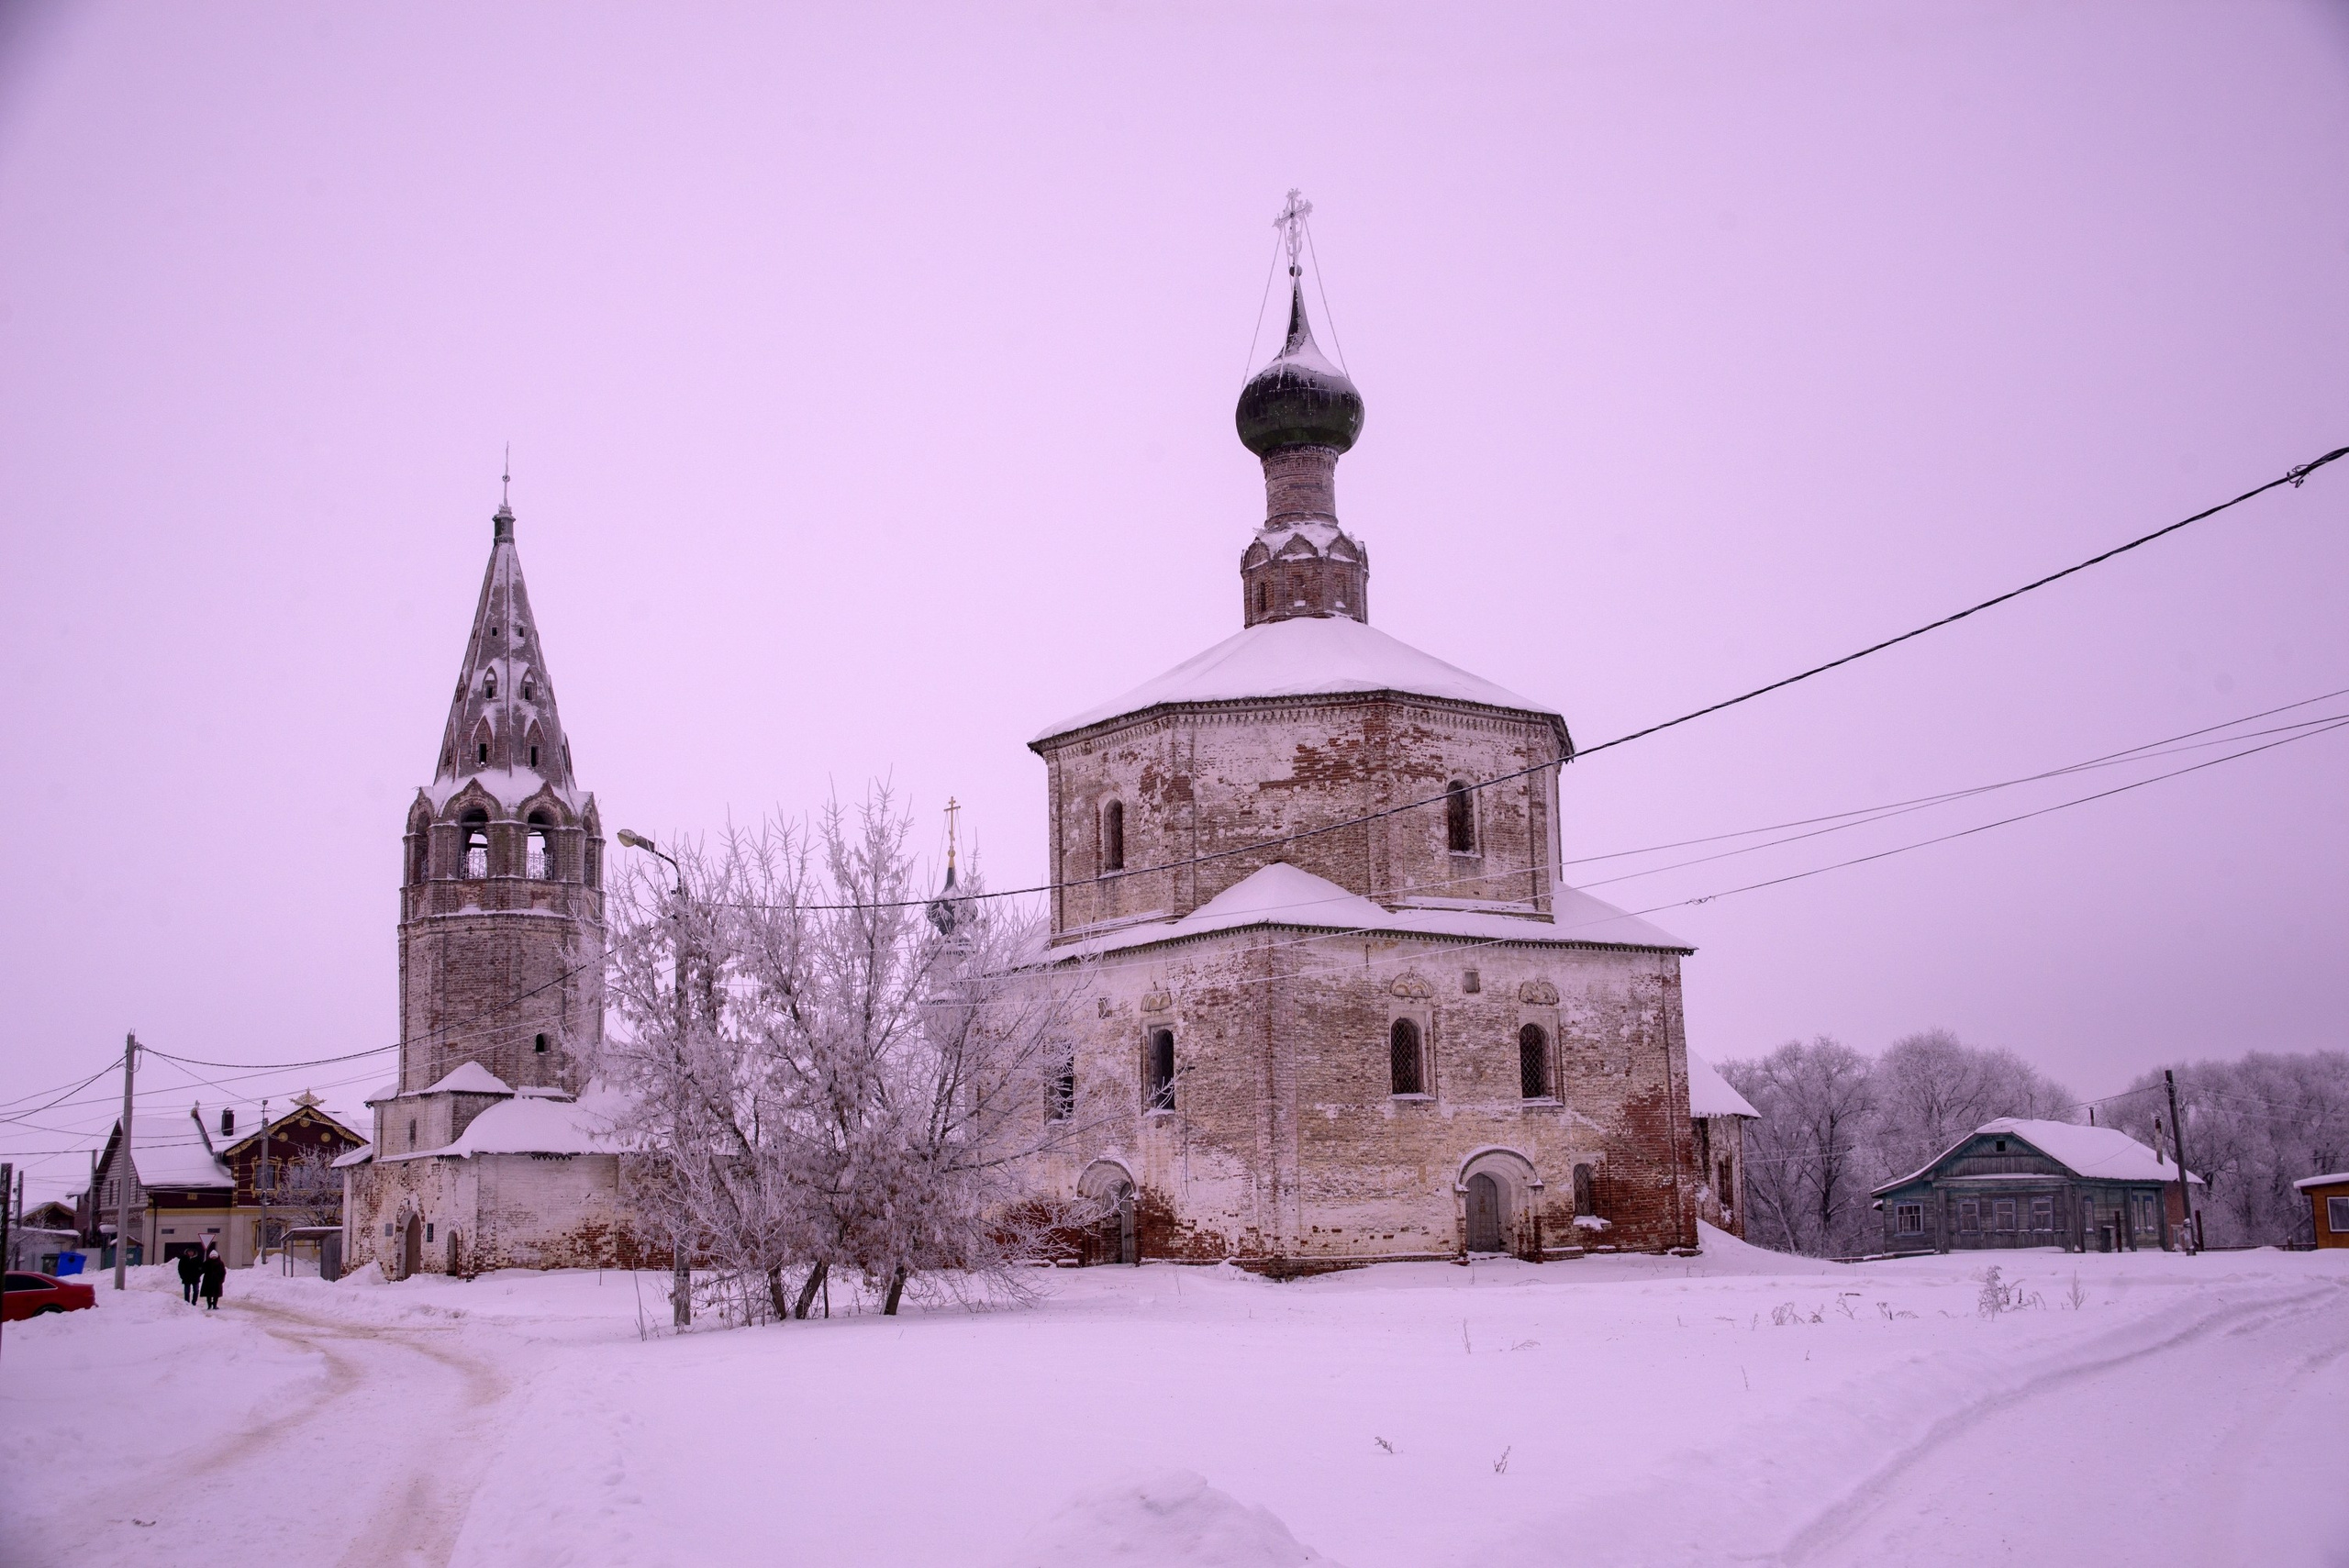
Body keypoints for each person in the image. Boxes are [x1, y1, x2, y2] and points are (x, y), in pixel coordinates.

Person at [199, 1245, 226, 1311]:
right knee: (208, 1294)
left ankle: (214, 1305)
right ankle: (209, 1305)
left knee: (216, 1294)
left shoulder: (220, 1263)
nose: (214, 1257)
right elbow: (202, 1270)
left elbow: (223, 1272)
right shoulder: (207, 1263)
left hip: (217, 1281)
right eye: (212, 1256)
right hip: (208, 1281)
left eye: (215, 1256)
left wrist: (221, 1280)